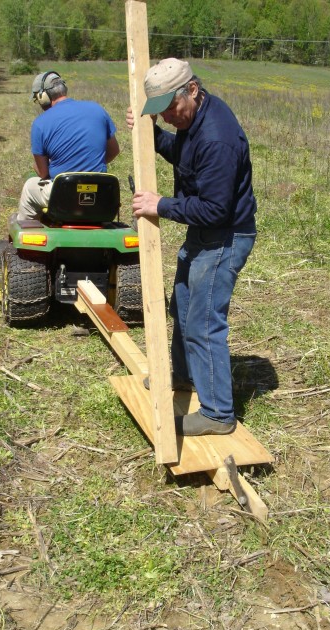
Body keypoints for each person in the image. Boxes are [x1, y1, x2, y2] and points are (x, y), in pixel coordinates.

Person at [127, 58, 257, 437]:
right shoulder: (193, 119)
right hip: (204, 232)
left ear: (193, 91)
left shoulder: (217, 136)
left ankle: (217, 414)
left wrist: (160, 204)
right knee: (182, 305)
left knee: (203, 321)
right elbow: (185, 158)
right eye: (160, 110)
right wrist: (151, 136)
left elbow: (216, 209)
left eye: (171, 107)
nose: (167, 117)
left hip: (224, 236)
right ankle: (184, 378)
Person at [18, 71, 120, 220]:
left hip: (64, 195)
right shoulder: (97, 109)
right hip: (99, 193)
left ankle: (26, 237)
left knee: (29, 187)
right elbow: (114, 151)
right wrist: (87, 165)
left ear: (43, 97)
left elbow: (43, 173)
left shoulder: (40, 123)